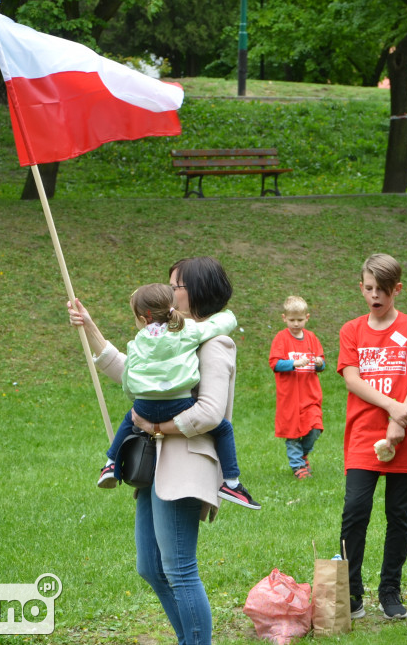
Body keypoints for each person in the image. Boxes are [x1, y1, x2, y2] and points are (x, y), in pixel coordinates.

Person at [67, 256, 256, 645]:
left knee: (179, 568)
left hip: (186, 464)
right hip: (154, 466)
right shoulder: (168, 336)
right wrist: (90, 328)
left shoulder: (215, 341)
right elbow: (133, 374)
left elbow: (210, 412)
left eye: (176, 286)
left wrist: (155, 426)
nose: (168, 293)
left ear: (197, 292)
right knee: (151, 567)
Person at [337, 253, 407, 621]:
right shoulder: (352, 330)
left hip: (405, 437)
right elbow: (352, 378)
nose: (375, 296)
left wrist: (401, 419)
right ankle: (351, 593)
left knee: (399, 517)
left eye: (382, 290)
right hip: (364, 435)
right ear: (360, 287)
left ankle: (390, 590)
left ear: (397, 289)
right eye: (368, 288)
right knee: (355, 512)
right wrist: (393, 408)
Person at [97, 284, 240, 500]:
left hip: (145, 405)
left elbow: (128, 379)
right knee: (223, 429)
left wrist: (136, 398)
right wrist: (228, 315)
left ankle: (110, 464)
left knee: (129, 420)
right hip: (179, 404)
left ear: (144, 319)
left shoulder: (137, 342)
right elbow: (216, 326)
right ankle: (232, 483)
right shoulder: (187, 331)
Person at [269, 295, 325, 479]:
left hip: (310, 395)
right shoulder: (281, 338)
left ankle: (302, 455)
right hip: (290, 397)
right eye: (292, 320)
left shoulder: (311, 338)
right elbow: (275, 364)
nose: (296, 324)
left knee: (315, 428)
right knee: (292, 434)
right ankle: (298, 466)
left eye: (300, 320)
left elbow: (322, 364)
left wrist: (318, 362)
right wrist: (293, 363)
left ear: (307, 318)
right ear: (284, 318)